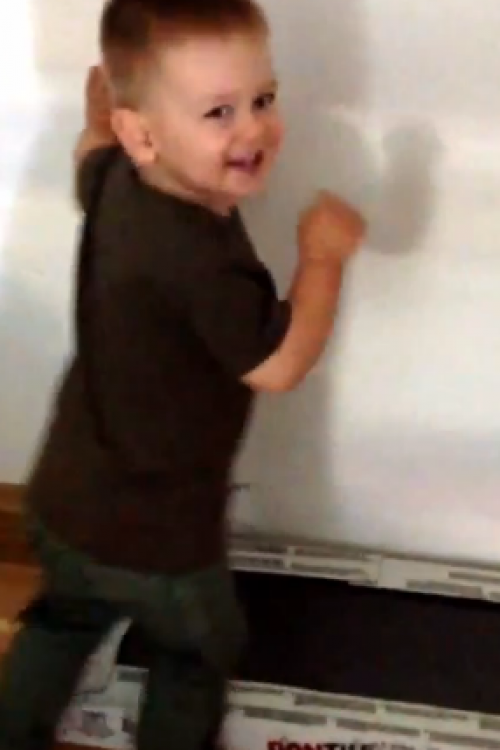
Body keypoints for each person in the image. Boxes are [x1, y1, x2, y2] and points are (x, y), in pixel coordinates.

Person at [0, 1, 366, 749]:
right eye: (218, 112)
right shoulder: (204, 261)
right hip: (161, 542)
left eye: (263, 98)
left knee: (61, 621)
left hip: (64, 500)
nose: (253, 129)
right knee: (198, 651)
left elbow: (88, 150)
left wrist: (101, 116)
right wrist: (323, 258)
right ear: (144, 134)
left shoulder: (114, 177)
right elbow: (280, 365)